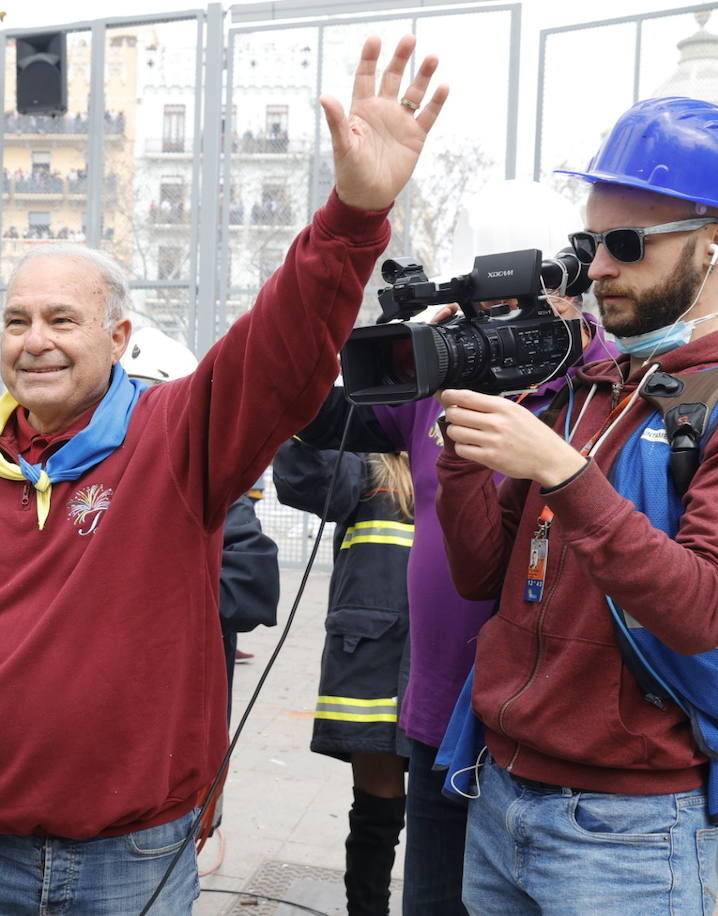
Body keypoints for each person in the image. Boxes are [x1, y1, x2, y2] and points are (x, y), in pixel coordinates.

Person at [0, 35, 448, 913]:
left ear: (118, 339)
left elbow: (277, 355)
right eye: (17, 320)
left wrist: (350, 219)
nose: (35, 340)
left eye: (63, 319)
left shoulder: (175, 437)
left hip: (132, 857)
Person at [291, 177, 614, 914]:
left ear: (569, 290)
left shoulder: (612, 388)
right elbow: (310, 409)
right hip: (437, 730)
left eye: (512, 306)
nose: (490, 327)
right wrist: (393, 327)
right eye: (475, 306)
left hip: (551, 748)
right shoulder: (440, 384)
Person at [435, 96, 718, 912]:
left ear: (711, 245)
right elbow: (479, 574)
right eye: (588, 244)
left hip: (633, 828)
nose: (597, 269)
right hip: (502, 791)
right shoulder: (592, 386)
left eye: (627, 245)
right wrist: (463, 458)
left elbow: (701, 610)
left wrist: (565, 475)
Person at [273, 443, 412, 916]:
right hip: (373, 664)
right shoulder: (371, 462)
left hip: (445, 661)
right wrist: (312, 410)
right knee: (378, 814)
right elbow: (304, 479)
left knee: (448, 814)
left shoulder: (472, 449)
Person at [119, 326, 280, 688]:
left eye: (154, 398)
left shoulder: (212, 489)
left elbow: (252, 586)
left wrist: (135, 599)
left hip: (175, 702)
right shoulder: (79, 479)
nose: (139, 413)